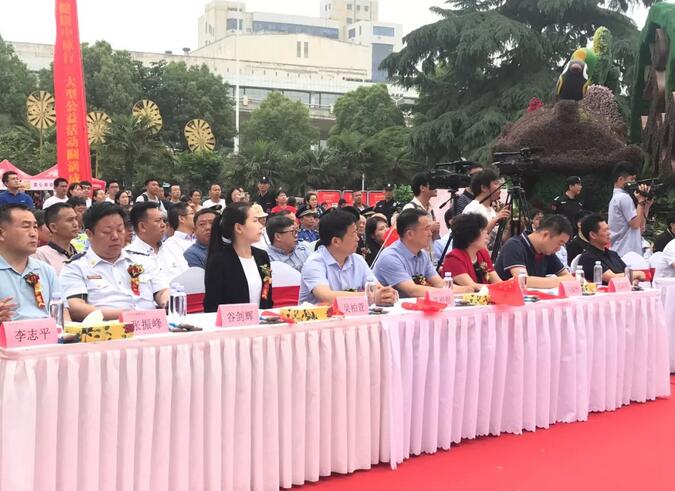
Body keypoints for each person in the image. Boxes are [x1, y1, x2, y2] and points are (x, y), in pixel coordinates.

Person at [61, 203, 169, 321]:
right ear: (89, 234)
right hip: (109, 328)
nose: (115, 236)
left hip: (152, 325)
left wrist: (166, 301)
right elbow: (75, 307)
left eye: (120, 230)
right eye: (107, 232)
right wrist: (126, 315)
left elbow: (162, 291)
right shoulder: (76, 267)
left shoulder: (142, 259)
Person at [299, 210, 397, 304]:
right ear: (336, 241)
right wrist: (370, 296)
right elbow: (327, 297)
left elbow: (377, 289)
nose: (357, 238)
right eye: (353, 234)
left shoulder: (358, 260)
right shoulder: (314, 263)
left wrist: (386, 295)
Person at [373, 209, 473, 296]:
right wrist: (452, 292)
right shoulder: (390, 257)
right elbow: (412, 290)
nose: (430, 234)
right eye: (426, 229)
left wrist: (469, 289)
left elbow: (440, 284)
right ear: (410, 234)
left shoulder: (423, 255)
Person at [204, 202, 273, 310]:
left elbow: (267, 296)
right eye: (255, 221)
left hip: (261, 318)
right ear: (238, 228)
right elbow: (212, 305)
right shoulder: (219, 261)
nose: (261, 226)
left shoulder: (262, 256)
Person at [0, 204, 63, 321]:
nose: (34, 234)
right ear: (1, 234)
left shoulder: (46, 270)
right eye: (25, 227)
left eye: (35, 227)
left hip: (45, 331)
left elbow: (62, 316)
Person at [494, 215, 575, 288]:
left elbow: (570, 278)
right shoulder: (514, 245)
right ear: (545, 235)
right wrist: (559, 281)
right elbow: (523, 281)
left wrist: (533, 281)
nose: (559, 249)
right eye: (559, 244)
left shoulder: (546, 251)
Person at [578, 214, 646, 285]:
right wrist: (638, 273)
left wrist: (632, 278)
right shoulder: (587, 258)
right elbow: (612, 278)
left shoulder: (613, 254)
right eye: (605, 230)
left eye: (608, 229)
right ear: (593, 235)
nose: (609, 233)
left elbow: (630, 275)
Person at [442, 213, 501, 290]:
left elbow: (497, 282)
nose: (487, 234)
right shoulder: (453, 258)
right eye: (482, 231)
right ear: (470, 235)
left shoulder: (483, 253)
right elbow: (473, 287)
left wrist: (510, 283)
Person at [608, 162, 654, 257]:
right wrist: (640, 201)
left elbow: (640, 227)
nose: (634, 182)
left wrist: (646, 206)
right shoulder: (623, 198)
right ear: (620, 179)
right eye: (632, 179)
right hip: (625, 252)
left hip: (624, 251)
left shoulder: (618, 197)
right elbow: (635, 224)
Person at [462, 169, 510, 239]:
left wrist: (510, 228)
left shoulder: (490, 209)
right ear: (484, 188)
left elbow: (498, 239)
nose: (500, 187)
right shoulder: (473, 209)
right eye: (496, 183)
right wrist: (495, 219)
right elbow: (474, 238)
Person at [33, 203, 79, 275]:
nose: (76, 224)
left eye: (76, 219)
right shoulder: (39, 255)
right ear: (53, 227)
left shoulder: (81, 253)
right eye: (70, 220)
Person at [125, 202, 166, 276]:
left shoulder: (172, 249)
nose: (163, 225)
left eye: (163, 220)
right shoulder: (128, 257)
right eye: (158, 220)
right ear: (142, 227)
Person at [158, 202, 194, 281]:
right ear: (181, 219)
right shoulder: (170, 245)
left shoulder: (198, 239)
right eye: (192, 213)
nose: (196, 217)